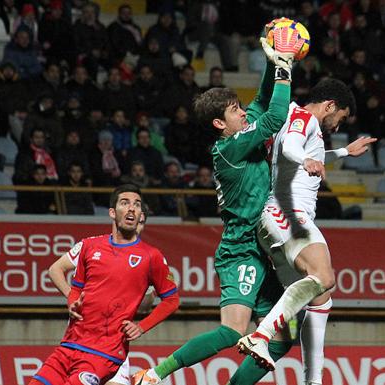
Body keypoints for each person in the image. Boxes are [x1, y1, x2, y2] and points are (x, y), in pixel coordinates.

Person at [132, 21, 303, 385]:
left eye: (238, 107)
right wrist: (286, 68)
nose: (242, 112)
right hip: (241, 248)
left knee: (284, 337)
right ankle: (155, 374)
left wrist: (272, 61)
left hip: (261, 247)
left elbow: (259, 103)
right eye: (233, 111)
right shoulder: (229, 149)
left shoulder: (240, 130)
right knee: (232, 332)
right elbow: (273, 116)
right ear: (218, 123)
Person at [236, 77, 375, 385]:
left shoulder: (296, 118)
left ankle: (312, 381)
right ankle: (261, 334)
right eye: (339, 118)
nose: (337, 126)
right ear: (330, 106)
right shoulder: (302, 118)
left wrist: (342, 154)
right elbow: (291, 148)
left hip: (276, 221)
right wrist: (306, 159)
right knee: (325, 276)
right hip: (287, 213)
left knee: (321, 298)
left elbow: (302, 151)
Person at [28, 184, 179, 385]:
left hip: (104, 352)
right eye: (125, 203)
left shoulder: (152, 256)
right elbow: (76, 287)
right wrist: (72, 301)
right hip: (70, 343)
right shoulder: (90, 246)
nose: (132, 208)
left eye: (137, 204)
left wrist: (141, 327)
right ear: (112, 212)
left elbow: (172, 300)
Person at [48, 204, 155, 385]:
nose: (137, 226)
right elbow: (55, 269)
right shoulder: (91, 245)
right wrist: (72, 297)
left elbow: (149, 305)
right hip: (82, 337)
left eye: (142, 222)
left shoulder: (148, 258)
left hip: (114, 341)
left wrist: (147, 293)